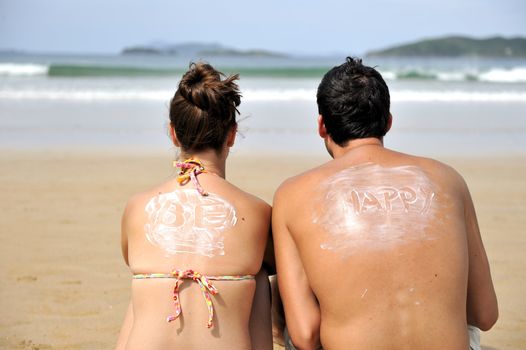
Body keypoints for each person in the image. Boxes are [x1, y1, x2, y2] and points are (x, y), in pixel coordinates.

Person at [272, 57, 498, 350]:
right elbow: (485, 314)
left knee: (278, 293)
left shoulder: (293, 194)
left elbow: (305, 336)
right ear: (388, 121)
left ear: (322, 126)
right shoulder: (447, 179)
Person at [115, 62, 272, 350]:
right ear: (232, 135)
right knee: (260, 275)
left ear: (173, 133)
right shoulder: (258, 212)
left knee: (148, 278)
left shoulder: (137, 206)